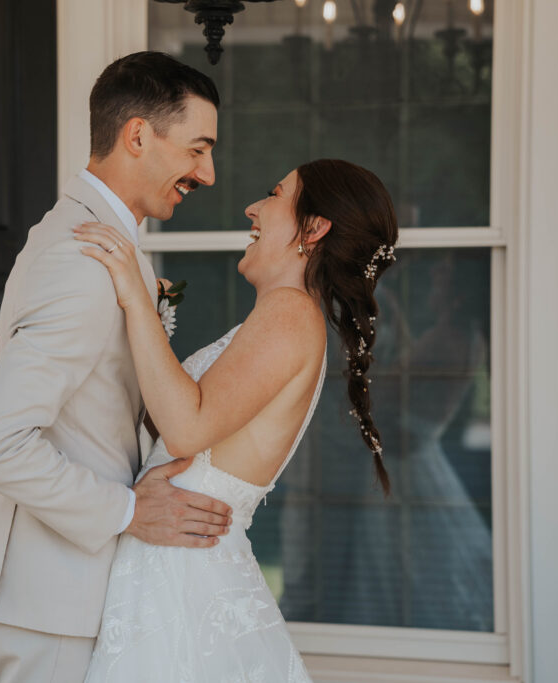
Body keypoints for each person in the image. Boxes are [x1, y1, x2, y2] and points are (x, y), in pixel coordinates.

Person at [0, 51, 233, 683]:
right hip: (52, 606)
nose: (210, 173)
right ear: (138, 135)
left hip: (74, 595)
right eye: (197, 149)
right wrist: (128, 511)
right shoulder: (83, 258)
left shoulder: (92, 239)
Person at [72, 158, 399, 681]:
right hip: (172, 566)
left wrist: (135, 295)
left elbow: (186, 430)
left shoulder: (290, 311)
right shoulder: (285, 315)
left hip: (184, 582)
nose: (253, 207)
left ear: (313, 228)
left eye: (274, 193)